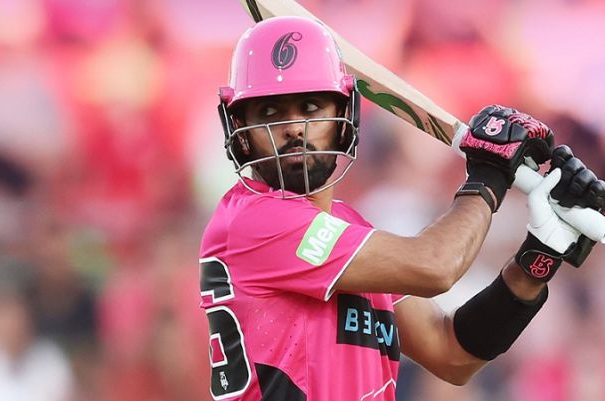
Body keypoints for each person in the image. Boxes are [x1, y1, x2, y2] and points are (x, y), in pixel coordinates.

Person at [199, 16, 605, 401]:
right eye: (269, 111)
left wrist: (539, 255)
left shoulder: (347, 230)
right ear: (240, 130)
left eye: (310, 107)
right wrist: (488, 176)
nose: (292, 128)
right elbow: (435, 267)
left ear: (343, 117)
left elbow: (451, 352)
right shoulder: (254, 221)